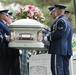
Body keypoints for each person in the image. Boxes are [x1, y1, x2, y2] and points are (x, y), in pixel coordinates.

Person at [44, 4, 73, 75]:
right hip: (63, 49)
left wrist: (48, 37)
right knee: (64, 70)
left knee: (57, 69)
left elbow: (59, 34)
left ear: (59, 11)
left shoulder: (61, 21)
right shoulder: (65, 21)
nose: (54, 12)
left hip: (58, 49)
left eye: (55, 10)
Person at [0, 9, 20, 75]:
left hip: (10, 50)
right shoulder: (1, 23)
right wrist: (7, 38)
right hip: (4, 51)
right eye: (6, 15)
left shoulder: (5, 24)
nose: (8, 17)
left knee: (12, 70)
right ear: (1, 15)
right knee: (5, 71)